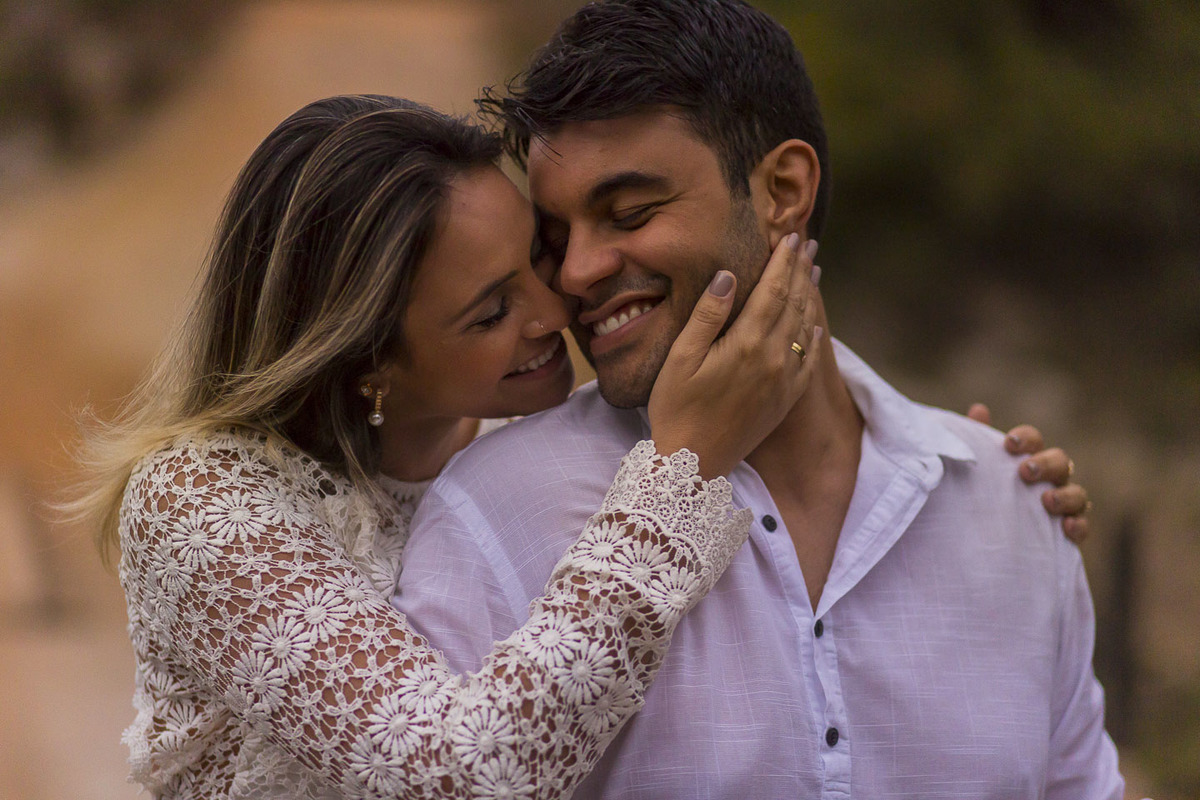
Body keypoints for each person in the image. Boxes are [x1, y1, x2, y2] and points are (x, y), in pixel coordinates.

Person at [390, 1, 1123, 797]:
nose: (575, 273)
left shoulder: (1011, 506)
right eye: (557, 240)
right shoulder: (494, 511)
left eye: (628, 213)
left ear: (783, 189)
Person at [74, 94, 830, 799]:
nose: (558, 305)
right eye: (492, 311)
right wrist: (682, 469)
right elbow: (456, 775)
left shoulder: (530, 449)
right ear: (367, 360)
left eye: (539, 253)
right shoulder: (198, 501)